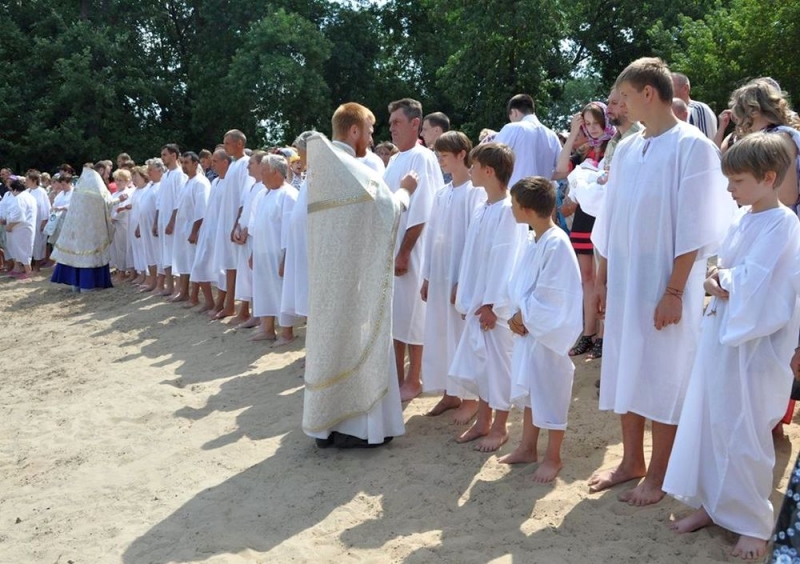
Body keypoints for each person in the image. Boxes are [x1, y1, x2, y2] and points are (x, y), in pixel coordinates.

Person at [588, 57, 735, 506]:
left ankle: (659, 473)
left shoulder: (693, 147)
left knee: (666, 373)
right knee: (625, 367)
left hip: (667, 283)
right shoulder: (628, 148)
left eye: (625, 97)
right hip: (626, 279)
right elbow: (611, 219)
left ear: (648, 93)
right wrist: (603, 281)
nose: (619, 106)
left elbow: (695, 225)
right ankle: (631, 461)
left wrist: (673, 292)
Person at [663, 133, 800, 561]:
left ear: (769, 178)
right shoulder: (743, 218)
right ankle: (713, 504)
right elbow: (725, 266)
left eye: (737, 181)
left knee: (744, 428)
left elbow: (760, 280)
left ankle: (753, 523)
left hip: (755, 344)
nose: (729, 189)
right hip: (722, 333)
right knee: (712, 419)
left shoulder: (784, 224)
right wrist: (717, 278)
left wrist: (721, 280)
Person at [303, 102, 416, 449]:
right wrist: (406, 189)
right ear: (353, 130)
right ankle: (362, 430)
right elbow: (388, 211)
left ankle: (324, 428)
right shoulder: (353, 169)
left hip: (327, 278)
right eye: (368, 130)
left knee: (330, 345)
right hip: (354, 280)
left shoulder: (321, 169)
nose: (371, 138)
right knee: (358, 343)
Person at [499, 176, 583, 483]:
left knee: (550, 389)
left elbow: (555, 294)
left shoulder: (557, 243)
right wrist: (516, 314)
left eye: (514, 204)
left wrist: (525, 316)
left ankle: (553, 456)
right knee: (533, 389)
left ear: (527, 209)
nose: (511, 208)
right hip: (529, 330)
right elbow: (520, 283)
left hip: (548, 335)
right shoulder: (535, 239)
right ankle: (527, 447)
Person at [449, 142, 528, 452]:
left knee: (498, 365)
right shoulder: (482, 207)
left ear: (489, 171)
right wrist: (465, 291)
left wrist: (493, 304)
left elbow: (507, 260)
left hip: (495, 305)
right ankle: (482, 421)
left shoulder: (508, 211)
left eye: (475, 165)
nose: (470, 170)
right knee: (481, 363)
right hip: (477, 298)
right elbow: (473, 254)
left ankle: (499, 426)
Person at [420, 131, 486, 423]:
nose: (441, 161)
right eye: (438, 155)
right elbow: (432, 236)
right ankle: (450, 392)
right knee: (440, 331)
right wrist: (427, 276)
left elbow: (474, 239)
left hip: (459, 274)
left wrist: (463, 280)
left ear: (462, 154)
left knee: (460, 334)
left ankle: (470, 397)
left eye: (445, 155)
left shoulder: (475, 192)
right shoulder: (442, 193)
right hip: (440, 273)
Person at [384, 97, 443, 401]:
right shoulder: (395, 160)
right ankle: (394, 375)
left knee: (414, 314)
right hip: (391, 248)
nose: (391, 128)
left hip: (413, 249)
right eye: (390, 122)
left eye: (397, 122)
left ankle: (414, 377)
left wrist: (405, 251)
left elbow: (422, 210)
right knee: (395, 314)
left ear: (415, 123)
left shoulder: (423, 158)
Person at [556, 102, 616, 361]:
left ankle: (603, 334)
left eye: (596, 123)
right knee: (587, 278)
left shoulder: (615, 145)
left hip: (604, 217)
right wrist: (572, 134)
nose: (592, 128)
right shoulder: (585, 150)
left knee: (604, 278)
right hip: (583, 219)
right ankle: (589, 332)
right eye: (587, 124)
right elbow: (560, 170)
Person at [718, 78, 800, 210]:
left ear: (754, 111)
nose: (738, 120)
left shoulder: (780, 138)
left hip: (783, 218)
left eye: (739, 111)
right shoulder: (769, 136)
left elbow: (787, 196)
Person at [248, 155, 298, 345]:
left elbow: (289, 231)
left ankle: (286, 333)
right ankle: (267, 328)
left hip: (278, 255)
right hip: (262, 251)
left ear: (276, 172)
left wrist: (286, 258)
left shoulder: (288, 195)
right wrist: (253, 253)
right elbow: (258, 226)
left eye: (264, 171)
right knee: (263, 290)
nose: (261, 175)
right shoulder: (264, 194)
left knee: (281, 292)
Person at [51, 167, 115, 291]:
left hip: (77, 230)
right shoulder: (99, 190)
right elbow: (108, 203)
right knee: (90, 257)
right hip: (93, 230)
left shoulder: (78, 189)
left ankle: (76, 285)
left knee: (77, 257)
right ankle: (88, 285)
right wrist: (119, 200)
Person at [213, 129, 252, 319]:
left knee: (241, 266)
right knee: (230, 264)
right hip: (227, 221)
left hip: (237, 224)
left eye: (227, 143)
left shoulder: (246, 164)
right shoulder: (234, 165)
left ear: (239, 144)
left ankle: (243, 309)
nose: (225, 146)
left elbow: (245, 197)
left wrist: (237, 223)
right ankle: (229, 305)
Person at [280, 131, 315, 327]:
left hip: (311, 244)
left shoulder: (321, 173)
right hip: (301, 243)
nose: (299, 157)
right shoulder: (310, 174)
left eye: (301, 152)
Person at [191, 149, 231, 313]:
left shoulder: (230, 183)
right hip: (209, 229)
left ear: (225, 162)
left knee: (222, 269)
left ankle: (220, 303)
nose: (211, 164)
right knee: (199, 265)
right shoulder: (214, 182)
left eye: (215, 161)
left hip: (222, 231)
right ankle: (209, 301)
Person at [494, 94, 562, 187]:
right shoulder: (552, 135)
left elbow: (492, 157)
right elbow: (563, 169)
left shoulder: (513, 128)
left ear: (514, 112)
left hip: (516, 191)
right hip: (544, 192)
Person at [230, 150, 265, 326]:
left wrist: (247, 230)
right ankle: (249, 312)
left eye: (251, 163)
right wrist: (238, 227)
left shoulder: (264, 187)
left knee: (256, 276)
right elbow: (245, 211)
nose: (247, 166)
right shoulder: (253, 185)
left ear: (260, 165)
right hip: (246, 237)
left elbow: (259, 215)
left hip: (255, 237)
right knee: (247, 276)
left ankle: (258, 314)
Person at [172, 152, 211, 303]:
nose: (184, 166)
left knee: (196, 263)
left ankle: (198, 297)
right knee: (185, 261)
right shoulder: (186, 182)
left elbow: (201, 210)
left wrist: (194, 231)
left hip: (195, 229)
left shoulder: (200, 183)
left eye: (187, 163)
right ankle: (185, 292)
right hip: (183, 228)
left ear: (195, 164)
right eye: (182, 163)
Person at [154, 144, 187, 298]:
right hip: (162, 219)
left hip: (174, 221)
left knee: (176, 253)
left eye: (165, 154)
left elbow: (179, 201)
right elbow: (159, 201)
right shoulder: (166, 175)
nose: (162, 158)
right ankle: (169, 285)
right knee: (165, 252)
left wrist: (172, 221)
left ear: (174, 155)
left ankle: (179, 288)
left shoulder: (180, 175)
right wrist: (156, 221)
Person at [137, 159, 163, 292]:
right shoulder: (150, 186)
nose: (148, 172)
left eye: (151, 169)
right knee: (149, 253)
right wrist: (138, 226)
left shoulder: (161, 186)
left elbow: (159, 207)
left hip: (154, 225)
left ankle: (160, 282)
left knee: (157, 253)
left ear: (159, 170)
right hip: (145, 225)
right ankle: (152, 280)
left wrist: (156, 223)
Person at [4, 178, 37, 282]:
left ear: (14, 189)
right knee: (25, 249)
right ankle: (25, 270)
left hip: (21, 228)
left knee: (23, 250)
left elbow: (18, 216)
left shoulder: (19, 198)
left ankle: (28, 271)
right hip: (26, 227)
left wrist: (9, 226)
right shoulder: (29, 196)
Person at [671, 72, 718, 139]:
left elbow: (705, 142)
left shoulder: (698, 109)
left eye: (670, 87)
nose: (665, 91)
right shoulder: (667, 112)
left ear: (685, 88)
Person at [109, 169, 134, 279]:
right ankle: (118, 268)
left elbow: (124, 209)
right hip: (113, 223)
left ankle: (123, 271)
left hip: (123, 223)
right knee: (115, 247)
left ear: (127, 181)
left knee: (123, 247)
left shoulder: (129, 193)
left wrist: (114, 217)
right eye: (116, 180)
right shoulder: (114, 194)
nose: (118, 182)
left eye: (121, 180)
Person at [24, 169, 51, 271]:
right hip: (28, 222)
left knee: (38, 243)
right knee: (29, 243)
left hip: (39, 221)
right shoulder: (26, 192)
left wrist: (44, 222)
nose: (26, 182)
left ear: (34, 180)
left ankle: (37, 265)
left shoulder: (41, 192)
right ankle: (29, 265)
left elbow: (46, 208)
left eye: (28, 180)